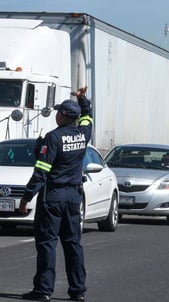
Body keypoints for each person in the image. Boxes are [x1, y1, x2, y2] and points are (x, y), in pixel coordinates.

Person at [19, 87, 93, 302]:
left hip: (53, 196)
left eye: (59, 111)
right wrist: (82, 99)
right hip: (73, 197)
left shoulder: (53, 138)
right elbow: (88, 117)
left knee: (47, 243)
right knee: (73, 244)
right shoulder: (83, 133)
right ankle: (78, 291)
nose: (56, 114)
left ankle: (43, 291)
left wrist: (27, 197)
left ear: (63, 116)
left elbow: (41, 171)